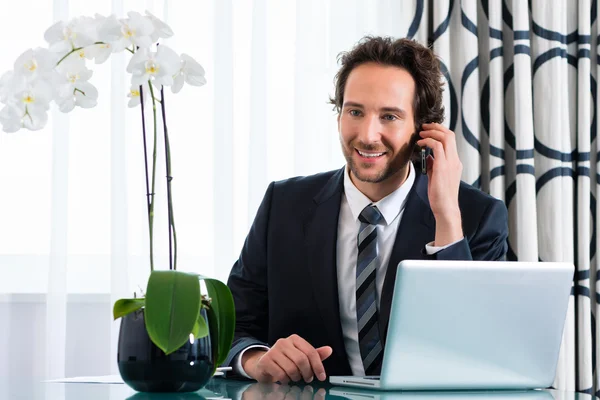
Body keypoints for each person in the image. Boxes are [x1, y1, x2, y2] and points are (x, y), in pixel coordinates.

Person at [223, 36, 508, 384]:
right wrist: (256, 359)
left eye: (389, 116)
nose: (367, 135)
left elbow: (475, 349)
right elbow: (233, 325)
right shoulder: (283, 205)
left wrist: (446, 217)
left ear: (423, 129)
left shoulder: (477, 217)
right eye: (355, 112)